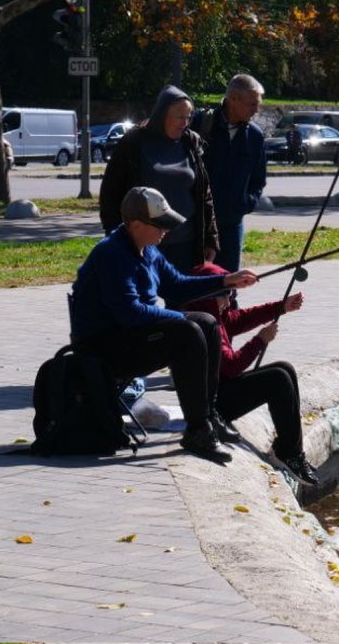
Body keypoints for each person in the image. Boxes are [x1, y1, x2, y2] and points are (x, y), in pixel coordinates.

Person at [72, 187, 257, 463]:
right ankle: (197, 431)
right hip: (105, 349)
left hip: (132, 336)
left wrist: (227, 280)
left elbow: (178, 286)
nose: (166, 231)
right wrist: (179, 318)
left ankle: (208, 415)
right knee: (188, 331)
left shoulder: (148, 250)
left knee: (206, 323)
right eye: (160, 225)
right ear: (135, 225)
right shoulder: (111, 254)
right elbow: (129, 313)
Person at [182, 262, 320, 485]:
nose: (229, 300)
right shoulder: (205, 325)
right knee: (278, 380)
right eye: (225, 294)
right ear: (209, 296)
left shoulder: (214, 315)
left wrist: (281, 307)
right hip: (214, 406)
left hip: (221, 390)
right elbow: (232, 365)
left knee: (285, 368)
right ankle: (289, 454)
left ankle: (292, 451)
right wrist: (260, 340)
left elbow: (241, 318)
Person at [100, 86, 219, 274]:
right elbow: (111, 194)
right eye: (180, 117)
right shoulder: (134, 143)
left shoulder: (190, 143)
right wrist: (116, 237)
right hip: (144, 244)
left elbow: (204, 195)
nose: (185, 123)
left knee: (184, 301)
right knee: (144, 299)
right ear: (162, 115)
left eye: (188, 117)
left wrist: (211, 238)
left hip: (185, 243)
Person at [197, 74, 268, 272]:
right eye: (252, 104)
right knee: (194, 288)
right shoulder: (201, 124)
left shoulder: (254, 136)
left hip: (231, 225)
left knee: (229, 288)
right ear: (233, 99)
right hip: (197, 225)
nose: (256, 111)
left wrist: (245, 203)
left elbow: (258, 180)